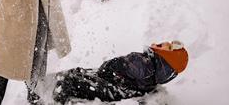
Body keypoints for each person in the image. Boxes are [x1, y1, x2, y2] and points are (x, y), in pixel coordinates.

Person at [52, 40, 189, 104]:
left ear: (166, 58)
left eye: (169, 46)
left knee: (70, 81)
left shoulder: (144, 64)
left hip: (111, 87)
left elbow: (117, 66)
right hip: (118, 85)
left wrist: (106, 70)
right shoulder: (152, 70)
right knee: (79, 75)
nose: (165, 42)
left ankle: (52, 98)